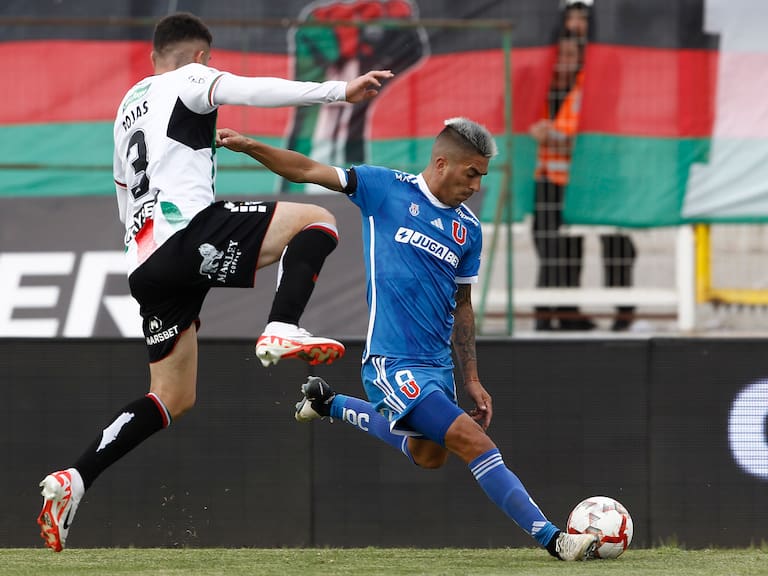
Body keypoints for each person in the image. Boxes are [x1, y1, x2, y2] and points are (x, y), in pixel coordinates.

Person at [36, 12, 393, 552]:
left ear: (153, 55)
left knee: (172, 397)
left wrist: (147, 257)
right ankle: (282, 326)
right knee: (318, 221)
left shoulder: (125, 112)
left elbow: (123, 193)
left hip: (146, 262)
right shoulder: (190, 79)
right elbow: (252, 88)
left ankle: (75, 478)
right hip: (187, 232)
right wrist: (340, 90)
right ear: (201, 57)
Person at [216, 118, 599, 561]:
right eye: (471, 173)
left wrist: (471, 378)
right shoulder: (383, 188)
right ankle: (555, 540)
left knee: (428, 456)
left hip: (436, 366)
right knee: (474, 444)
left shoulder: (468, 230)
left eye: (482, 176)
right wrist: (249, 146)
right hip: (390, 362)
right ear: (442, 163)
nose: (477, 185)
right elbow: (306, 170)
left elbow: (463, 305)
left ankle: (329, 403)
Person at [532, 0, 637, 331]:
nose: (576, 29)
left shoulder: (598, 78)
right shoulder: (540, 81)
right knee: (559, 247)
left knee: (617, 243)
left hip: (598, 177)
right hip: (554, 178)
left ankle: (623, 312)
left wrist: (561, 138)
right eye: (570, 22)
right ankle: (559, 314)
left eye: (582, 24)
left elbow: (594, 128)